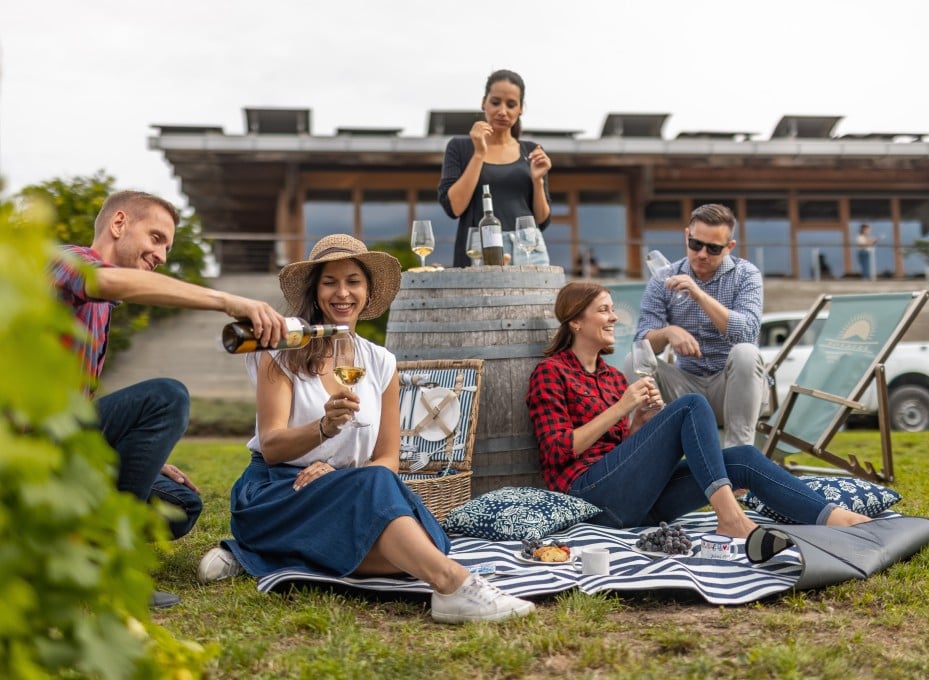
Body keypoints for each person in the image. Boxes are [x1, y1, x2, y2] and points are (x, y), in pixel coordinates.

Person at [197, 234, 535, 624]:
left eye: (353, 281)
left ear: (368, 290)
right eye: (330, 282)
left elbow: (388, 458)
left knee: (425, 542)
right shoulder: (282, 352)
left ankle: (262, 554)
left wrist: (343, 480)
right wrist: (324, 428)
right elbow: (272, 447)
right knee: (417, 548)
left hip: (354, 491)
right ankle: (453, 584)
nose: (342, 293)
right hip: (279, 491)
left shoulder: (380, 361)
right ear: (314, 291)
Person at [49, 190, 290, 608]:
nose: (161, 255)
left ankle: (65, 544)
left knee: (180, 505)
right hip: (33, 442)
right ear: (119, 224)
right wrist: (225, 300)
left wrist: (139, 453)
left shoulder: (104, 309)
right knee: (166, 396)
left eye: (167, 247)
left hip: (71, 443)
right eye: (156, 238)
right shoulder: (64, 261)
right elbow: (104, 279)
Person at [526, 282, 871, 548]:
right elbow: (557, 451)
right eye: (603, 310)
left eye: (612, 309)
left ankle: (832, 517)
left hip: (638, 504)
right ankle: (731, 517)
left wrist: (641, 425)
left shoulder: (613, 378)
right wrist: (622, 407)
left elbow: (619, 448)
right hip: (592, 499)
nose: (614, 317)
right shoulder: (551, 372)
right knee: (691, 405)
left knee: (743, 458)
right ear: (575, 321)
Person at [629, 203, 765, 447]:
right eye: (696, 244)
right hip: (685, 385)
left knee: (746, 353)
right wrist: (669, 332)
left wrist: (699, 295)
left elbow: (747, 333)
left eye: (713, 248)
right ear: (686, 236)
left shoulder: (746, 274)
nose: (702, 254)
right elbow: (642, 340)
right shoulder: (664, 278)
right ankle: (645, 451)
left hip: (732, 388)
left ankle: (739, 459)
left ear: (729, 247)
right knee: (634, 360)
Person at [438, 68, 552, 267]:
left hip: (528, 249)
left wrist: (537, 180)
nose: (502, 111)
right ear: (484, 102)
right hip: (478, 248)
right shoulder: (459, 147)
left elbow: (542, 220)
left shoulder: (532, 150)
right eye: (495, 102)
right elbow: (454, 208)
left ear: (521, 108)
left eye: (511, 104)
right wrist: (479, 153)